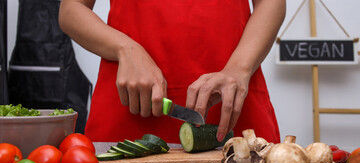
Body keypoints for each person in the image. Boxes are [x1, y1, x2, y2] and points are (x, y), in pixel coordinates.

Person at [59, 0, 286, 144]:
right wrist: (125, 48)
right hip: (132, 106)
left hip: (230, 103)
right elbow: (71, 9)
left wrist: (239, 68)